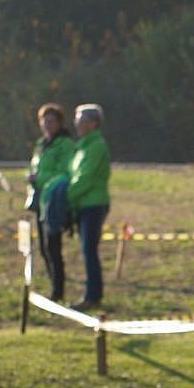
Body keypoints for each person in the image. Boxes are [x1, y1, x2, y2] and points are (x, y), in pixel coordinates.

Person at [26, 103, 76, 302]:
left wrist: (39, 178)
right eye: (44, 121)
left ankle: (58, 290)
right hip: (41, 199)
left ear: (59, 123)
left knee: (53, 246)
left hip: (55, 198)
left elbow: (64, 172)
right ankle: (54, 285)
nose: (47, 124)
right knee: (44, 248)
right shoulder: (41, 144)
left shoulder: (65, 144)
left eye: (51, 121)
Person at [66, 103, 112, 310]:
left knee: (89, 250)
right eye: (77, 120)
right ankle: (91, 294)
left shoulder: (96, 146)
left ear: (94, 123)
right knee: (87, 251)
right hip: (82, 204)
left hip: (94, 204)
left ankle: (93, 296)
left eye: (82, 121)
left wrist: (66, 197)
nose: (78, 125)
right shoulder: (81, 147)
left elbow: (86, 178)